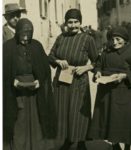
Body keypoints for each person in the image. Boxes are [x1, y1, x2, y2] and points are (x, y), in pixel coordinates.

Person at [48, 9, 98, 150]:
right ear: (65, 23)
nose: (73, 25)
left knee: (78, 113)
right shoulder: (60, 38)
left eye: (76, 22)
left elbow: (97, 62)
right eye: (70, 22)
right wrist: (58, 61)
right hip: (62, 83)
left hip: (78, 81)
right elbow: (50, 56)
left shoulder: (88, 39)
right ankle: (67, 141)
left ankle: (81, 142)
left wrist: (86, 68)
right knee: (63, 112)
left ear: (80, 22)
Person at [3, 18, 56, 150]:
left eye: (28, 35)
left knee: (36, 120)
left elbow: (45, 68)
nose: (25, 38)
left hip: (34, 92)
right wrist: (11, 80)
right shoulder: (8, 47)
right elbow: (3, 69)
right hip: (15, 93)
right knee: (20, 122)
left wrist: (40, 80)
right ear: (17, 33)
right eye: (23, 35)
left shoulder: (36, 45)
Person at [89, 26, 131, 150]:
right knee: (110, 119)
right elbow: (98, 65)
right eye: (112, 39)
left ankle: (127, 146)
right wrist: (97, 72)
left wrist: (125, 75)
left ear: (125, 39)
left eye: (118, 39)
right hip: (107, 91)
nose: (115, 42)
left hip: (124, 91)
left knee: (125, 120)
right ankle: (115, 146)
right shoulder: (106, 52)